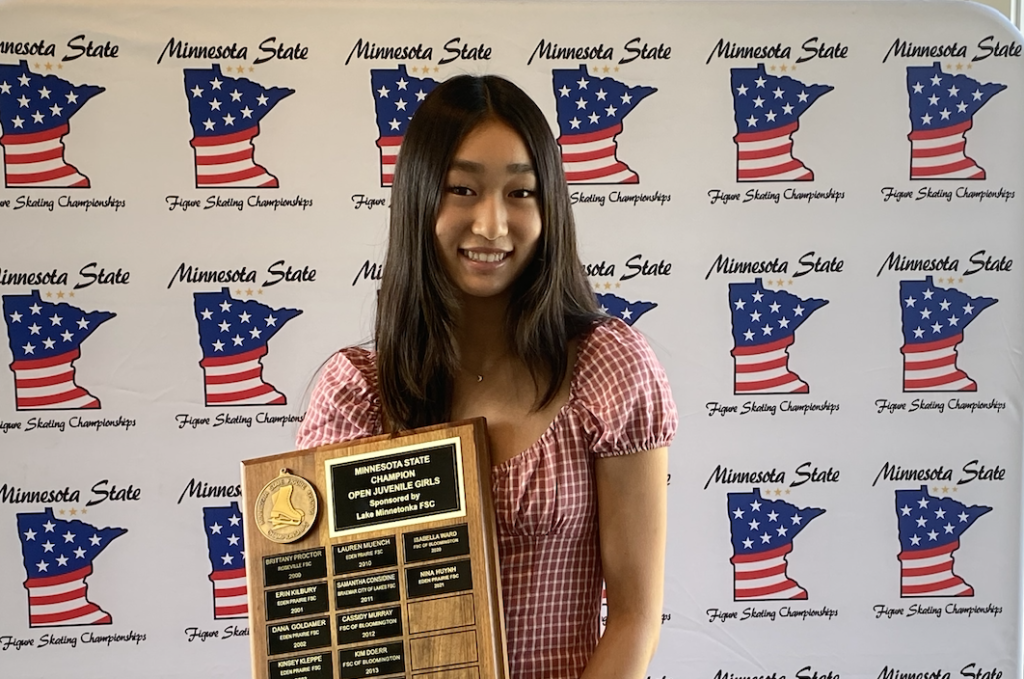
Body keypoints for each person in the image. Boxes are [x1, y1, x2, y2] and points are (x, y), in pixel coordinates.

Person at [297, 74, 677, 679]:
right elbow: (330, 632)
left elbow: (635, 617)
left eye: (521, 193)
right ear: (420, 199)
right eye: (463, 188)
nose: (493, 224)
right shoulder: (357, 394)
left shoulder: (608, 367)